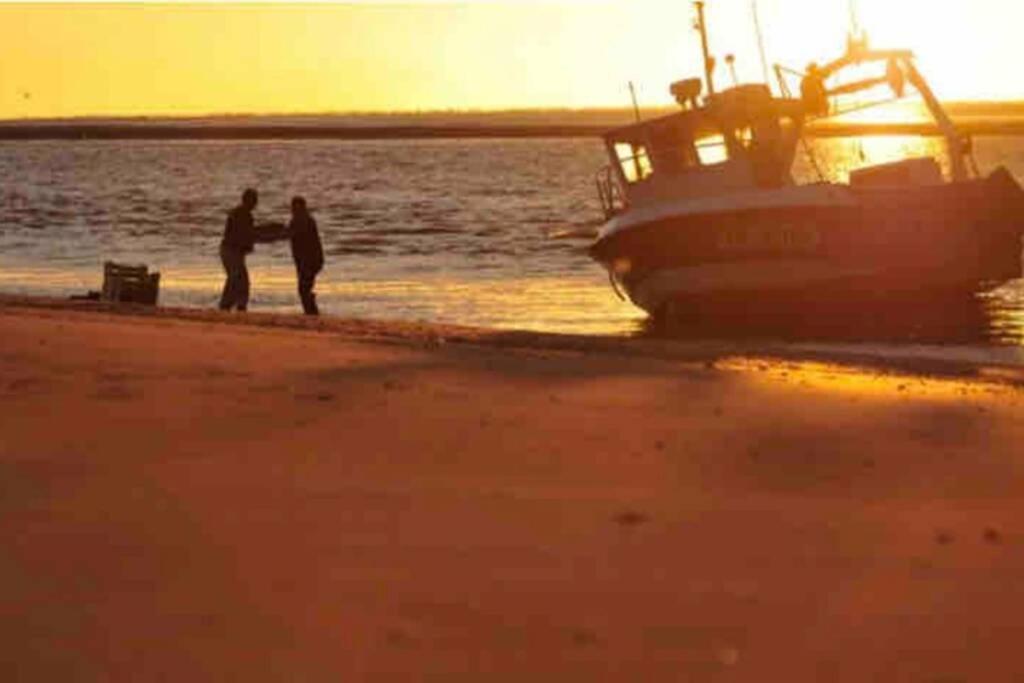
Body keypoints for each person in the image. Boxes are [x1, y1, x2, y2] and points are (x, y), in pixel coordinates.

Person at [219, 188, 259, 312]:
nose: (255, 204)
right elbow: (243, 234)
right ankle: (228, 304)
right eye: (253, 201)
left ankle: (236, 304)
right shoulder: (241, 214)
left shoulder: (243, 214)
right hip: (230, 250)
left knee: (240, 279)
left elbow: (247, 234)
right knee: (236, 277)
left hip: (233, 250)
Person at [287, 196, 324, 316]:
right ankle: (311, 310)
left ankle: (311, 311)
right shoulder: (297, 220)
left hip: (310, 260)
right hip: (303, 261)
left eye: (297, 208)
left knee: (303, 288)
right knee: (304, 288)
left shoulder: (305, 220)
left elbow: (305, 241)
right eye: (293, 208)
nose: (294, 210)